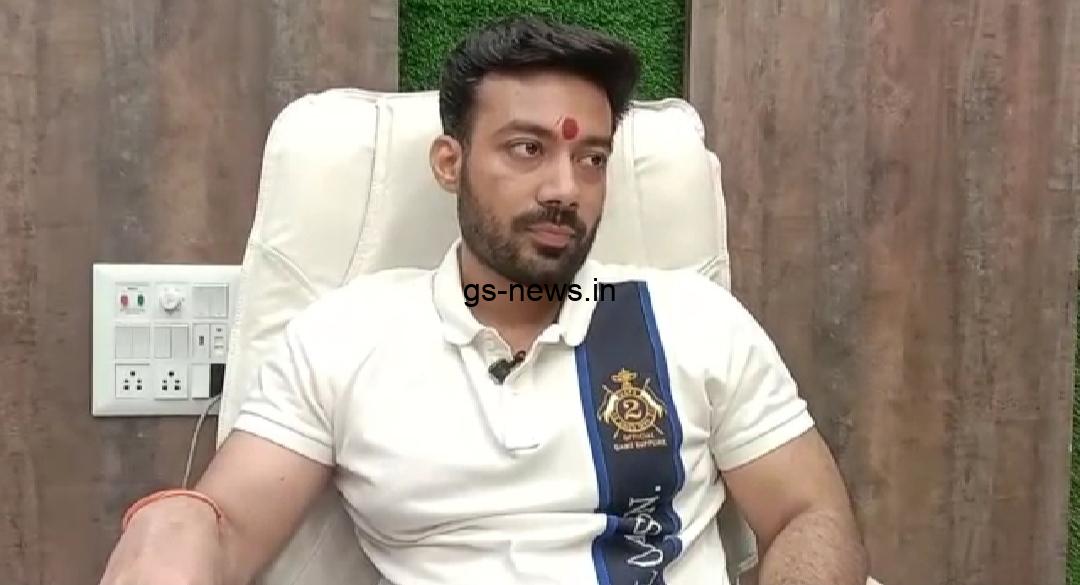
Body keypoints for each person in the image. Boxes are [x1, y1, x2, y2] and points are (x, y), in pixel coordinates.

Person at [99, 16, 869, 585]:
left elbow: (809, 512)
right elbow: (226, 525)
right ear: (449, 162)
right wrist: (171, 526)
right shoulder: (344, 337)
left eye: (591, 157)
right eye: (528, 149)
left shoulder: (693, 322)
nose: (565, 187)